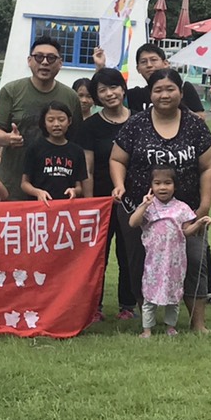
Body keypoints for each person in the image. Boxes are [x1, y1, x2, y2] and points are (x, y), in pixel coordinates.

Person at [110, 68, 211, 332]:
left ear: (181, 92)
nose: (164, 94)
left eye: (170, 89)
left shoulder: (195, 125)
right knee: (140, 264)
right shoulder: (136, 123)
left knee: (195, 261)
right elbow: (117, 158)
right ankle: (147, 321)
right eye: (158, 90)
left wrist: (204, 205)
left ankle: (198, 323)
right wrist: (120, 185)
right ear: (150, 94)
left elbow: (209, 166)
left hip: (186, 212)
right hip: (141, 210)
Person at [76, 67, 137, 321]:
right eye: (102, 90)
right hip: (101, 200)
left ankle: (128, 305)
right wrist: (91, 204)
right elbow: (87, 168)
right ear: (96, 97)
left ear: (122, 89)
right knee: (97, 255)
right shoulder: (90, 126)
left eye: (113, 87)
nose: (110, 94)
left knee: (129, 253)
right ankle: (95, 306)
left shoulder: (140, 120)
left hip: (134, 200)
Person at [0, 37, 83, 200]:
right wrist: (8, 138)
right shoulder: (11, 91)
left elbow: (76, 141)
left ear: (60, 63)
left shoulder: (70, 97)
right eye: (39, 57)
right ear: (29, 60)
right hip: (13, 183)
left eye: (51, 58)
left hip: (56, 186)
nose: (45, 62)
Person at [131, 166, 211, 338]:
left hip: (175, 260)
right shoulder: (149, 207)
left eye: (167, 183)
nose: (162, 187)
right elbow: (133, 222)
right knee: (150, 295)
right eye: (157, 183)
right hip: (154, 260)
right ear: (151, 186)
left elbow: (186, 231)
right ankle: (147, 329)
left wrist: (199, 223)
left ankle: (170, 326)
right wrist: (143, 206)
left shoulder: (182, 208)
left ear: (175, 186)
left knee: (173, 295)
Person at [21, 101, 88, 203]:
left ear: (69, 121)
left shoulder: (77, 151)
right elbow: (24, 184)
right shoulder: (34, 148)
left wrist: (74, 191)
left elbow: (79, 186)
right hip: (40, 207)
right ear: (44, 122)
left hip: (66, 207)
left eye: (61, 120)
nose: (56, 124)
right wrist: (37, 192)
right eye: (51, 120)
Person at [126, 44, 205, 113]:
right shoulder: (134, 95)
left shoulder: (184, 88)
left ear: (166, 63)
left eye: (153, 60)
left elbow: (200, 117)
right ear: (138, 68)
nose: (149, 65)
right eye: (143, 62)